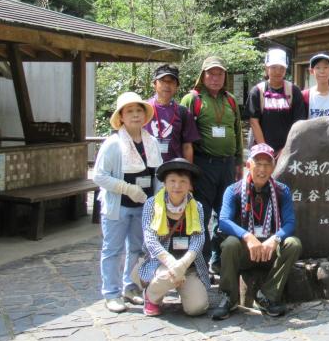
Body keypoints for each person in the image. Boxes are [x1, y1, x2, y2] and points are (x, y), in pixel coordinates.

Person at [211, 144, 302, 319]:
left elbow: (290, 223)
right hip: (245, 252)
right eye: (258, 163)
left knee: (293, 244)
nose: (262, 169)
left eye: (267, 164)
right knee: (229, 243)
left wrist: (275, 238)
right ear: (248, 165)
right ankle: (229, 298)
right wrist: (247, 236)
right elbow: (223, 221)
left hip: (269, 251)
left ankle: (267, 296)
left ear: (273, 167)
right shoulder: (233, 191)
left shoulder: (282, 191)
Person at [94, 92, 163, 313]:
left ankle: (130, 287)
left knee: (136, 248)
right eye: (129, 111)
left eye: (138, 110)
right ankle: (111, 293)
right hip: (118, 206)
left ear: (145, 114)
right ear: (121, 116)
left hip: (143, 207)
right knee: (112, 250)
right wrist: (127, 189)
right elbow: (99, 176)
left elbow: (158, 176)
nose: (135, 115)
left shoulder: (151, 142)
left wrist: (157, 201)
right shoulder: (113, 144)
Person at [180, 56, 243, 270]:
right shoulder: (192, 99)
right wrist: (186, 172)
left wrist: (239, 161)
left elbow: (237, 133)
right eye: (211, 73)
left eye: (220, 74)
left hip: (227, 165)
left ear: (225, 76)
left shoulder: (231, 100)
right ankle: (202, 261)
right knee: (201, 213)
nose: (215, 78)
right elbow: (183, 136)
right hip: (203, 165)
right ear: (203, 75)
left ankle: (219, 260)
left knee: (225, 213)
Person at [137, 158, 209, 317]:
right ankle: (151, 296)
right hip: (161, 263)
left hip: (188, 266)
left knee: (197, 308)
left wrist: (182, 265)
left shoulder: (197, 207)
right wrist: (172, 263)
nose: (177, 186)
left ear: (189, 184)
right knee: (166, 275)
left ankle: (182, 284)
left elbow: (199, 239)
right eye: (173, 181)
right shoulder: (151, 204)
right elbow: (150, 239)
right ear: (164, 183)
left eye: (183, 181)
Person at [248, 48, 306, 156]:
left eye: (281, 68)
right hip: (261, 151)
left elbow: (298, 123)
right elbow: (254, 122)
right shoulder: (257, 91)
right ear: (266, 68)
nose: (278, 71)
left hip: (288, 151)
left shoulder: (294, 91)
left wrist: (286, 148)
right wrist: (265, 149)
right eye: (273, 67)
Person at [145, 64, 200, 163]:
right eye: (162, 81)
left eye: (171, 81)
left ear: (177, 86)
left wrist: (188, 171)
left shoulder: (183, 112)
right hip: (146, 168)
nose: (167, 85)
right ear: (154, 84)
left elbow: (187, 146)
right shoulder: (143, 108)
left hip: (173, 169)